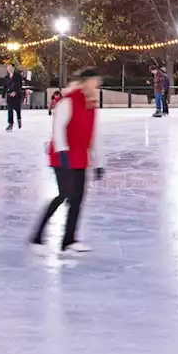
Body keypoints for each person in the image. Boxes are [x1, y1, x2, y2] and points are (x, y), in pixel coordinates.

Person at [31, 67, 105, 254]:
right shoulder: (69, 100)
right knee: (64, 195)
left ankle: (69, 240)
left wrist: (98, 163)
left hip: (80, 159)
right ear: (86, 82)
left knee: (78, 199)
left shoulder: (91, 104)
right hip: (63, 158)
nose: (97, 85)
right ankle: (37, 236)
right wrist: (63, 152)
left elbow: (92, 135)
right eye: (94, 81)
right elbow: (59, 127)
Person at [3, 62, 25, 131]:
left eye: (10, 67)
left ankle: (19, 119)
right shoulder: (6, 77)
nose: (9, 69)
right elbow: (5, 87)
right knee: (9, 110)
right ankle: (10, 124)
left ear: (13, 68)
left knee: (17, 109)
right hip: (9, 96)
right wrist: (3, 96)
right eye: (8, 67)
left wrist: (15, 91)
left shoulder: (18, 76)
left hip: (17, 95)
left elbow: (19, 85)